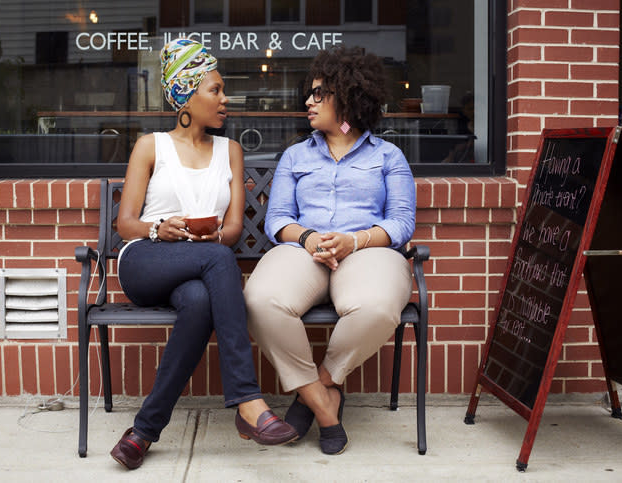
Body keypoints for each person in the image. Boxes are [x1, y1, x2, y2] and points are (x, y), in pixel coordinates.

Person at [110, 38, 298, 471]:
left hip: (199, 266)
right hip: (146, 259)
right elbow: (126, 225)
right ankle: (247, 401)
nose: (225, 99)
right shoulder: (150, 146)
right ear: (186, 97)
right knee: (217, 261)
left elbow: (231, 230)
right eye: (215, 90)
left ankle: (142, 432)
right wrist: (161, 227)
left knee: (198, 302)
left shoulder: (229, 151)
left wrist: (208, 234)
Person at [243, 46, 416, 455]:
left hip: (368, 250)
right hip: (305, 249)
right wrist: (308, 239)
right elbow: (277, 218)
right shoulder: (296, 155)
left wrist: (355, 240)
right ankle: (324, 404)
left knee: (376, 307)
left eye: (318, 93)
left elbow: (401, 223)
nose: (308, 101)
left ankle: (321, 383)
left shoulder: (388, 156)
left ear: (347, 96)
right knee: (260, 299)